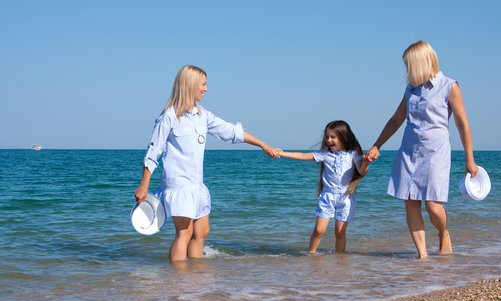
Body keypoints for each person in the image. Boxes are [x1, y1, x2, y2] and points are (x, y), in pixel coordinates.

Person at [134, 65, 280, 262]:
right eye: (203, 84)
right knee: (184, 234)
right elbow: (153, 152)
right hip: (179, 186)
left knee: (202, 232)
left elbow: (231, 131)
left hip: (196, 185)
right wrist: (144, 186)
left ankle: (193, 276)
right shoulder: (168, 117)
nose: (206, 89)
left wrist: (263, 145)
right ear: (190, 84)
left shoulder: (202, 115)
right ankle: (178, 281)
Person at [363, 40, 479, 259]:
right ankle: (422, 256)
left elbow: (463, 125)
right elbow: (396, 119)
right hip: (409, 151)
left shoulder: (449, 86)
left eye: (409, 65)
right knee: (411, 203)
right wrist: (376, 146)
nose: (407, 70)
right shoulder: (411, 89)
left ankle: (443, 232)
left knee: (434, 207)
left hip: (436, 152)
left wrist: (469, 160)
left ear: (421, 63)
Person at [278, 120, 369, 254]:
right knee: (319, 230)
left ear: (343, 137)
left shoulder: (353, 154)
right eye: (327, 137)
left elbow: (361, 171)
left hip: (346, 199)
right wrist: (282, 153)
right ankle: (311, 254)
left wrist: (366, 162)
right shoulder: (325, 154)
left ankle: (339, 258)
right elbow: (304, 156)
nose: (329, 140)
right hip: (327, 197)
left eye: (333, 137)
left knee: (340, 232)